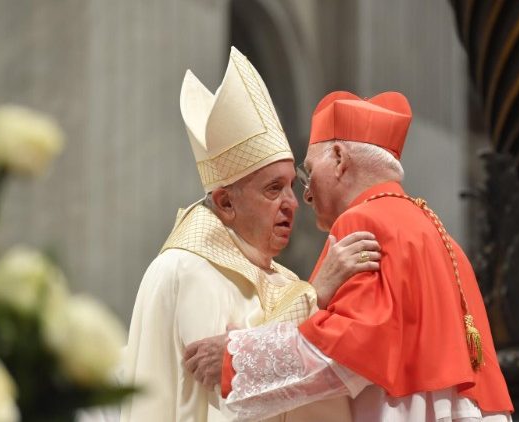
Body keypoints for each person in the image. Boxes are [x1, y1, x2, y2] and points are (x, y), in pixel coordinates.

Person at [184, 91, 514, 421]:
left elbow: (349, 352)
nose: (307, 194)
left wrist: (235, 359)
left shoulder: (365, 221)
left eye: (307, 173)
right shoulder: (436, 233)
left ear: (340, 158)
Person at [120, 49, 380, 422]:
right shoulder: (187, 270)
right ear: (226, 203)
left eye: (293, 185)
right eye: (273, 189)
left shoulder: (282, 278)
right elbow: (233, 396)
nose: (292, 203)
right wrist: (316, 293)